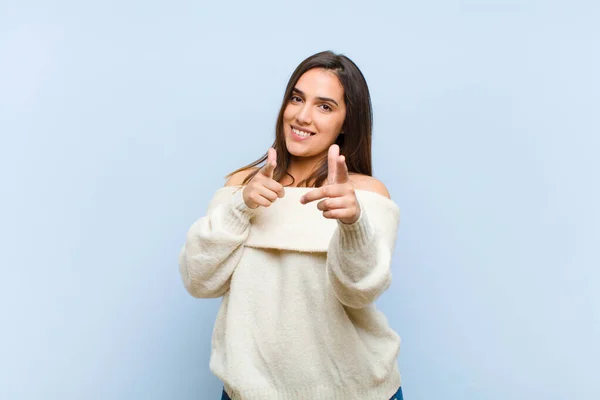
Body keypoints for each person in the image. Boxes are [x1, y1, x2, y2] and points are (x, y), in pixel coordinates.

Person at [179, 50, 403, 400]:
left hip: (355, 391)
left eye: (325, 106)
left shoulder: (362, 195)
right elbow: (198, 280)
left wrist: (353, 224)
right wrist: (241, 207)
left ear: (347, 121)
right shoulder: (243, 186)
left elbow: (359, 291)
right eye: (296, 99)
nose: (302, 116)